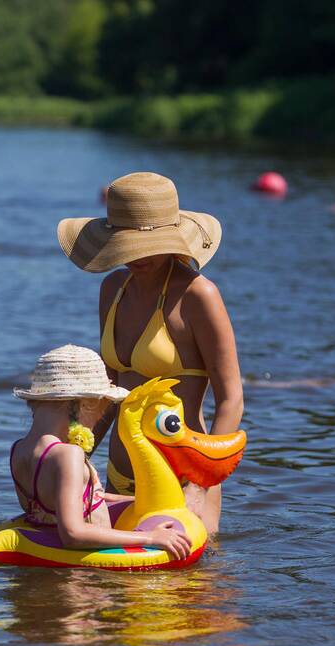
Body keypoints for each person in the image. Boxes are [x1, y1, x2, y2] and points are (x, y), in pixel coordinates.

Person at [57, 172, 242, 534]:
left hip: (183, 474)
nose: (135, 258)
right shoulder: (113, 288)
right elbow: (109, 387)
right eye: (124, 246)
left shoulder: (198, 295)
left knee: (186, 590)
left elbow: (231, 400)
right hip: (118, 473)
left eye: (145, 247)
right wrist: (74, 459)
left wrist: (202, 484)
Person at [10, 344, 192, 558]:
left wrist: (131, 499)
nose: (100, 418)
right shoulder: (67, 455)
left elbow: (59, 499)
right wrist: (151, 537)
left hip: (52, 569)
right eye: (104, 408)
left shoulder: (19, 449)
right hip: (83, 584)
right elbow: (72, 533)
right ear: (87, 404)